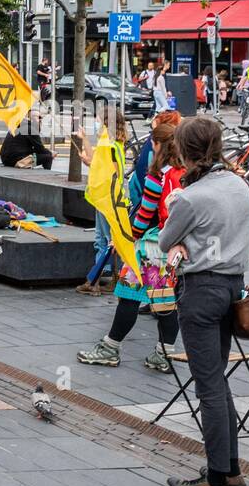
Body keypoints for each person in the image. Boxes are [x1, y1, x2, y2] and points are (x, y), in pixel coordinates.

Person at [161, 118, 249, 486]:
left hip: (200, 291)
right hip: (234, 286)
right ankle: (231, 470)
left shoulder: (190, 197)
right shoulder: (241, 185)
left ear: (184, 152)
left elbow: (166, 239)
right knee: (218, 379)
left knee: (209, 386)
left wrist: (181, 230)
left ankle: (216, 481)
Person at [77, 117, 184, 372]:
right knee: (165, 302)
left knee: (129, 296)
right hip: (173, 248)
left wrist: (126, 238)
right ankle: (165, 354)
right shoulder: (184, 173)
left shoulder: (157, 177)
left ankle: (110, 348)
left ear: (158, 145)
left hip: (150, 249)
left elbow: (145, 215)